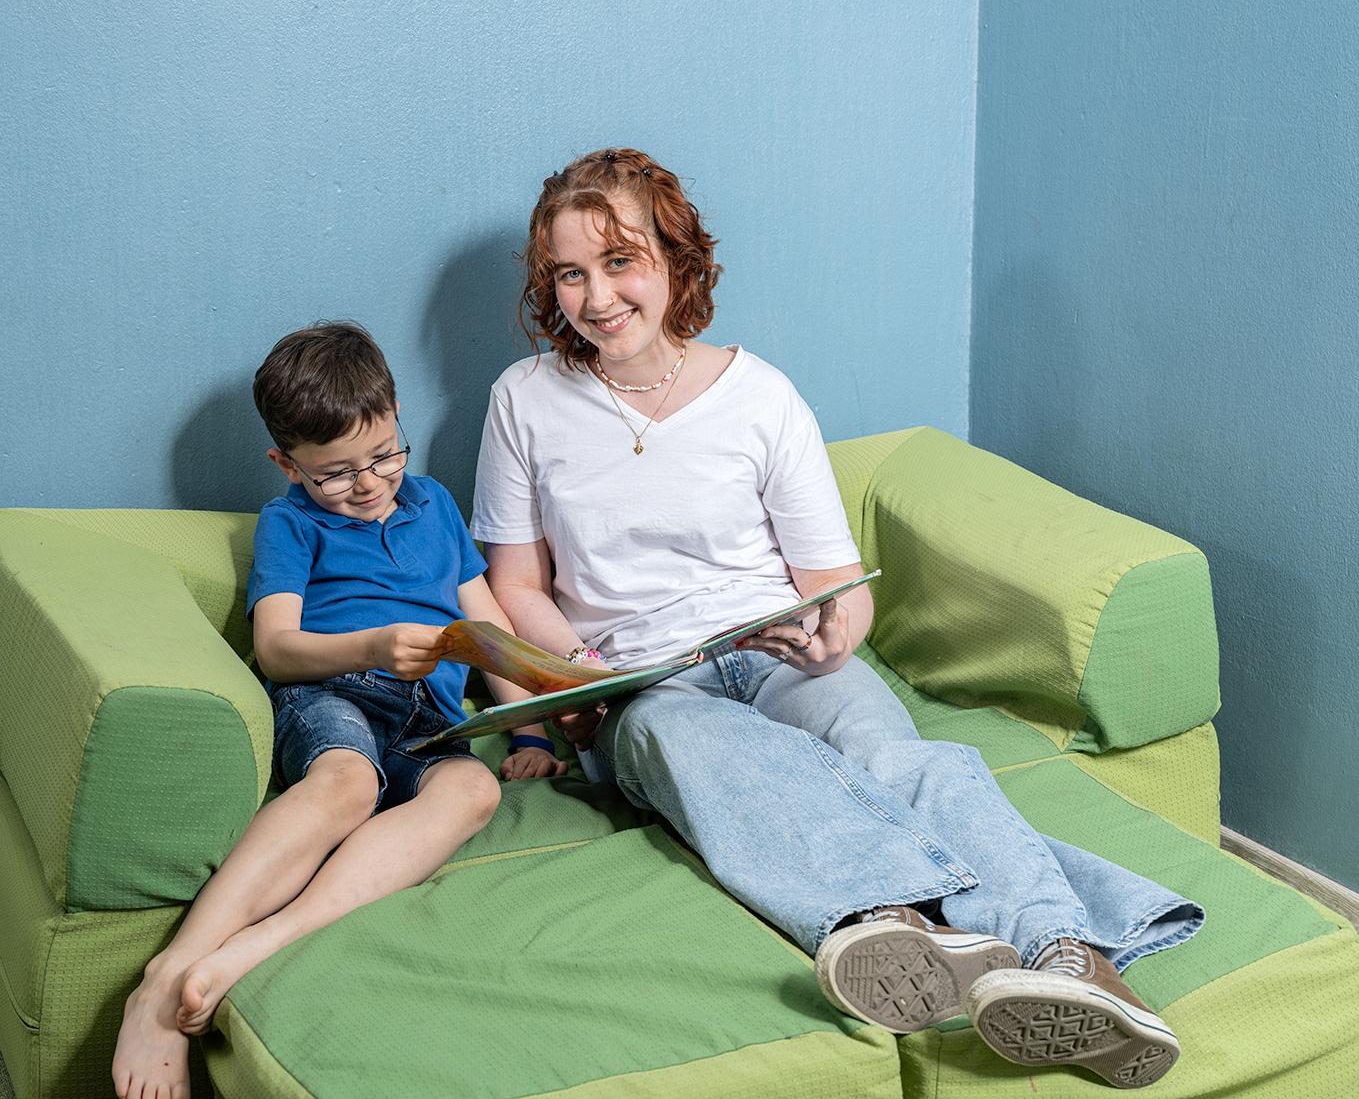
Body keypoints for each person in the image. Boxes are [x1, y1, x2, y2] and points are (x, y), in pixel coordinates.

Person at [471, 148, 1202, 1090]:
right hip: (646, 687)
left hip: (779, 656)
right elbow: (516, 581)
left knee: (894, 758)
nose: (596, 296)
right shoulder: (522, 400)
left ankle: (1069, 963)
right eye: (569, 274)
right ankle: (889, 927)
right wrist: (572, 669)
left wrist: (835, 630)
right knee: (692, 744)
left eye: (620, 262)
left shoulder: (759, 395)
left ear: (673, 260)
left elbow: (834, 580)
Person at [112, 321, 562, 1099]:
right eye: (335, 472)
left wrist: (525, 728)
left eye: (386, 453)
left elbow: (487, 632)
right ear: (286, 464)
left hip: (429, 716)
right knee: (347, 783)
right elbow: (279, 647)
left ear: (395, 416)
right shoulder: (292, 522)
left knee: (475, 791)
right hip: (334, 692)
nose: (369, 483)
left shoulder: (435, 506)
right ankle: (166, 975)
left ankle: (261, 942)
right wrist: (369, 647)